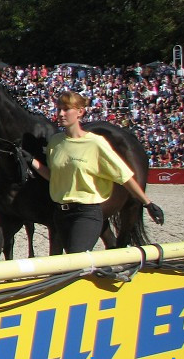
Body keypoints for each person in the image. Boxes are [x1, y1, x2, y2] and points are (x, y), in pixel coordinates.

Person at [24, 91, 164, 253]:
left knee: (76, 260)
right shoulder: (55, 143)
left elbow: (124, 176)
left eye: (66, 109)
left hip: (86, 214)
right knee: (68, 263)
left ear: (80, 112)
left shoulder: (96, 143)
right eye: (59, 109)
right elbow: (53, 177)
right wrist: (31, 160)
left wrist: (147, 203)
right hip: (60, 215)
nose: (61, 114)